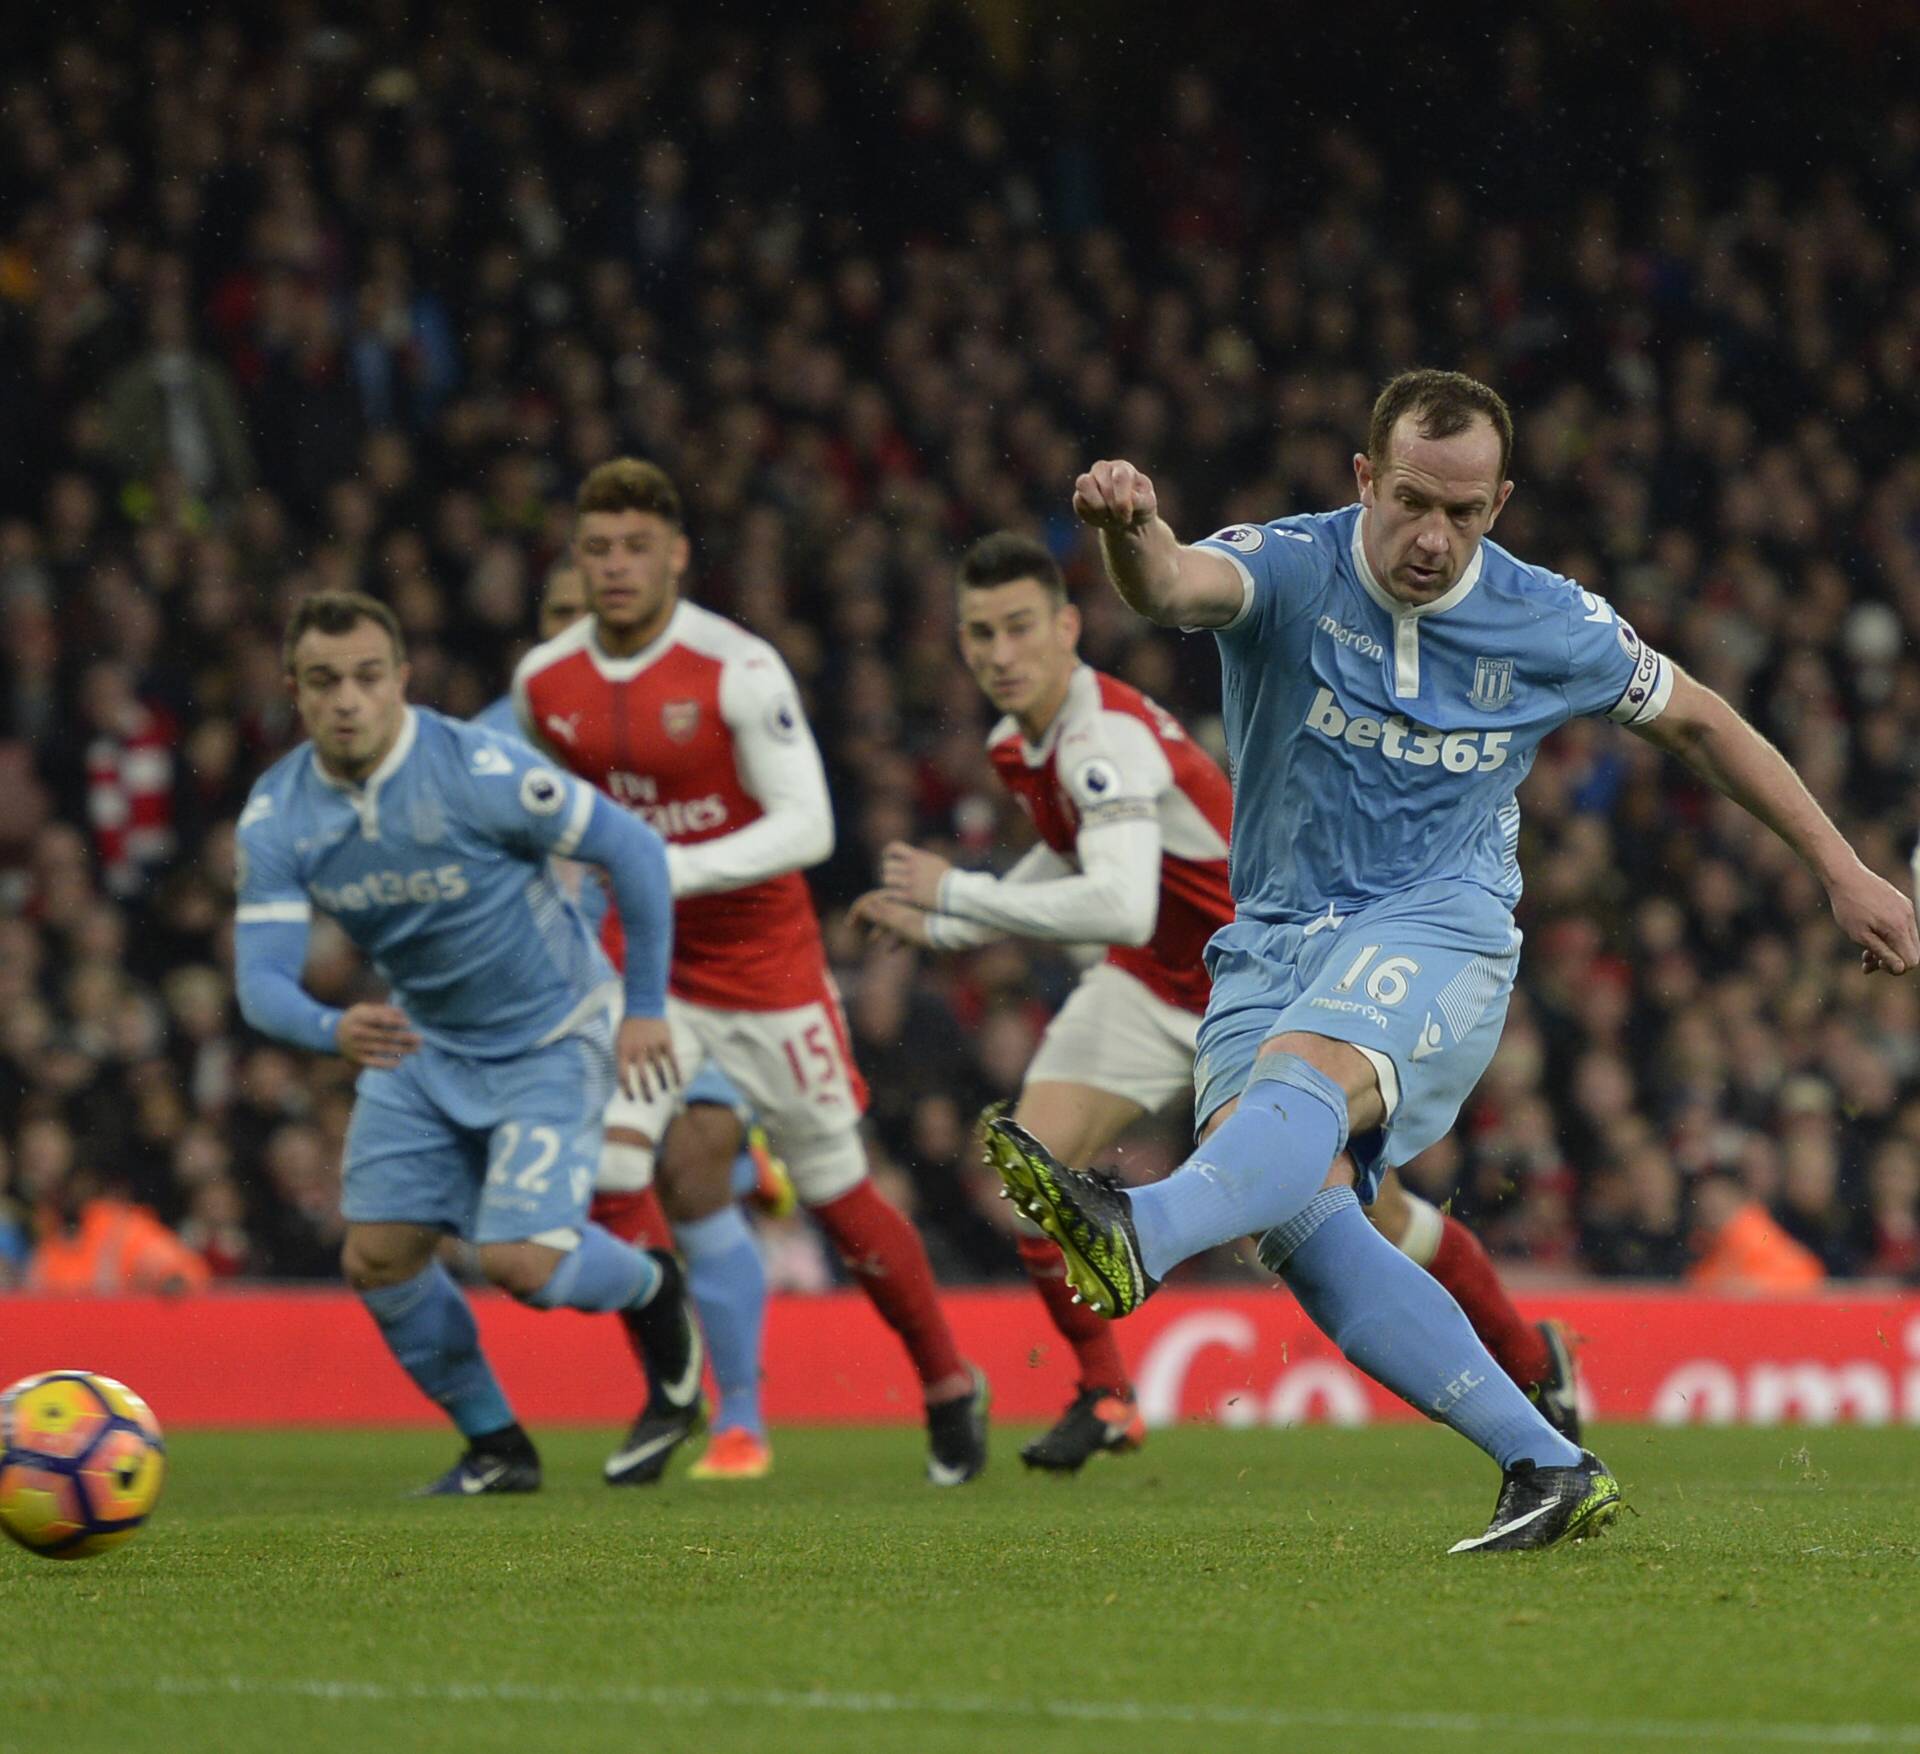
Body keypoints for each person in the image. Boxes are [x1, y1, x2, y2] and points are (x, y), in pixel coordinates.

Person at [985, 368, 1918, 1552]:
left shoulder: (1549, 619)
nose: (1434, 538)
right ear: (1365, 477)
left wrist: (1841, 867)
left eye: (1466, 513)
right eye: (1413, 501)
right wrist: (1131, 533)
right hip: (1269, 941)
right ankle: (1548, 1461)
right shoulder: (1291, 565)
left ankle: (1137, 1228)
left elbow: (1701, 719)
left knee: (1306, 1083)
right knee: (1301, 1226)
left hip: (1442, 924)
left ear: (1502, 503)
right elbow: (1173, 581)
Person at [855, 530, 1580, 1471]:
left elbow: (1119, 896)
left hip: (1259, 986)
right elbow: (1082, 858)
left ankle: (1532, 1363)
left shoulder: (1101, 737)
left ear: (1068, 628)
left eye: (1020, 629)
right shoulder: (1018, 743)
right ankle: (1108, 1396)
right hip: (1146, 978)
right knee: (1036, 1168)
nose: (1001, 655)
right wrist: (951, 926)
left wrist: (958, 896)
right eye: (980, 634)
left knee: (1370, 1218)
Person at [514, 459, 988, 1485]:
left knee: (838, 1193)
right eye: (597, 548)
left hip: (771, 975)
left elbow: (809, 825)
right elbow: (525, 811)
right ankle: (680, 1380)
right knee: (605, 1176)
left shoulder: (738, 668)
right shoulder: (544, 685)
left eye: (637, 546)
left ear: (678, 555)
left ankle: (948, 1381)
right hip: (650, 977)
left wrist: (658, 865)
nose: (616, 566)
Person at [234, 590, 703, 1496]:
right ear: (295, 690)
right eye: (324, 681)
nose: (347, 700)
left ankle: (651, 1286)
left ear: (401, 681)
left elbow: (635, 851)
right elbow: (260, 982)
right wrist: (332, 1028)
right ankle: (498, 1448)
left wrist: (643, 1005)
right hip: (423, 1045)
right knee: (377, 1257)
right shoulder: (277, 814)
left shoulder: (480, 769)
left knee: (520, 1263)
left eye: (368, 677)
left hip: (551, 1036)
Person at [481, 558, 791, 1483]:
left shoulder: (683, 721)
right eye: (559, 614)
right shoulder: (489, 747)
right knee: (593, 1204)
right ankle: (666, 1384)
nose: (580, 632)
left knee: (688, 1173)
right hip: (548, 1014)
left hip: (677, 990)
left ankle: (737, 1418)